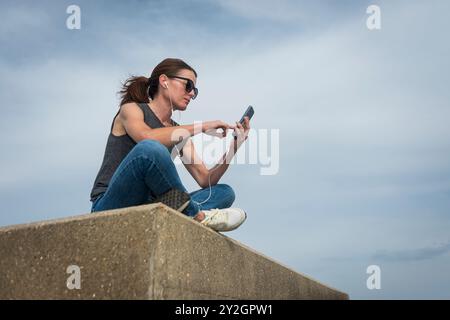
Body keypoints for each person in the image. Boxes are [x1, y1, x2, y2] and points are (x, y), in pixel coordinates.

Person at [90, 58, 251, 232]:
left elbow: (205, 180)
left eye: (194, 91)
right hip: (110, 204)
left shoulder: (178, 131)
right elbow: (147, 137)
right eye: (188, 85)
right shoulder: (131, 109)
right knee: (150, 149)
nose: (191, 94)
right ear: (164, 81)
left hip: (148, 206)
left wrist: (234, 146)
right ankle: (198, 216)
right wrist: (202, 126)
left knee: (224, 192)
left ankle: (183, 212)